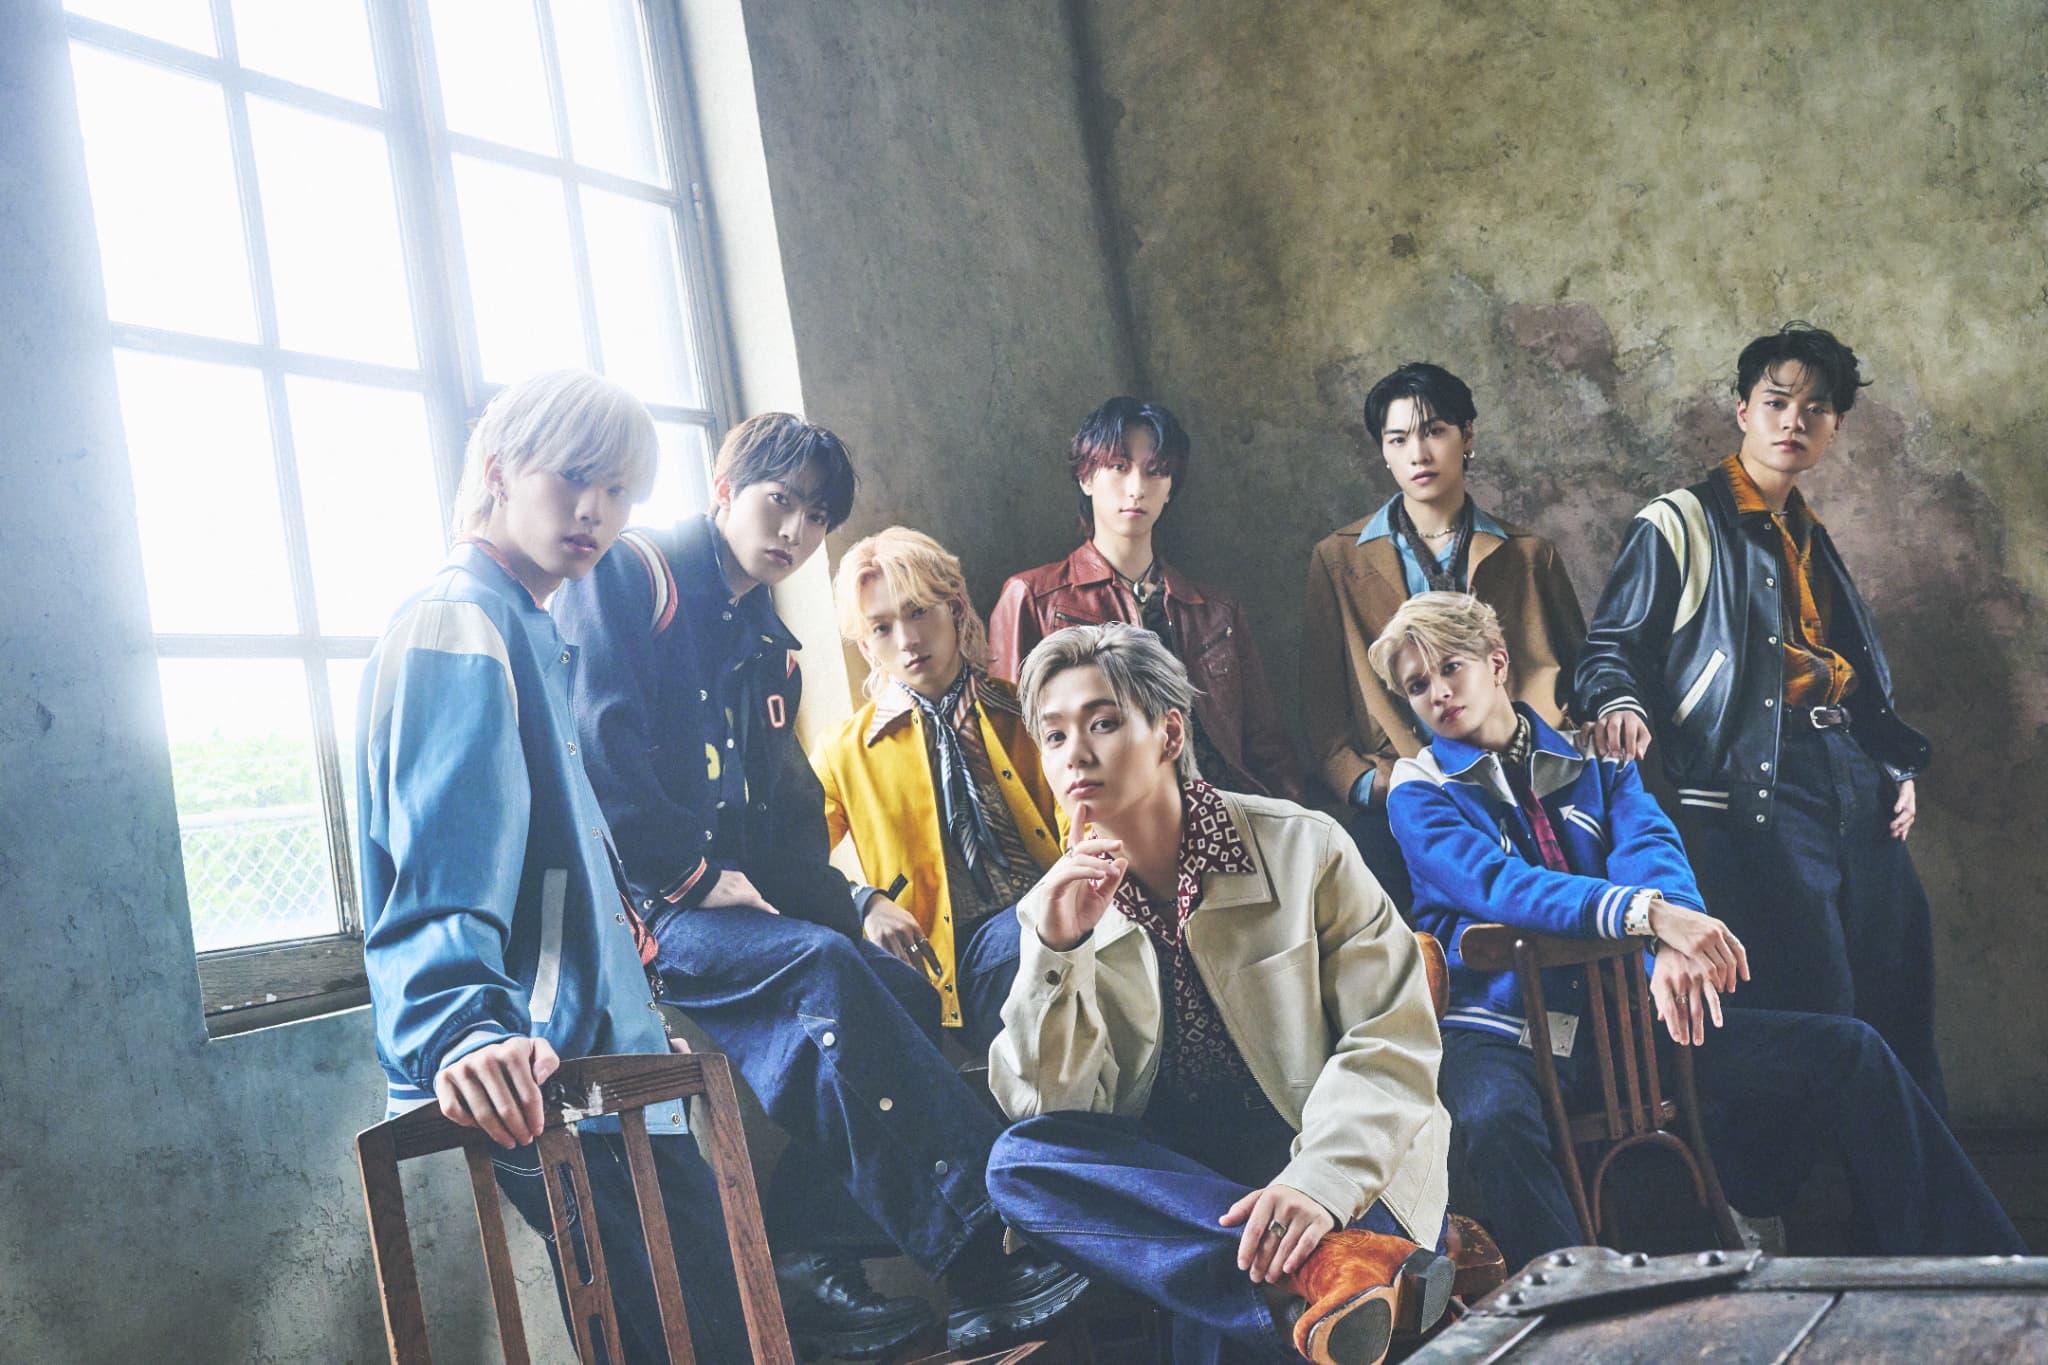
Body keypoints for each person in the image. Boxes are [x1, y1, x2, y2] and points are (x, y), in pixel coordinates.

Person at [552, 414, 1091, 1358]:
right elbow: (595, 753)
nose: (794, 531)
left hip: (719, 895)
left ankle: (810, 1253)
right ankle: (983, 1259)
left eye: (814, 516)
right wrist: (690, 874)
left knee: (898, 987)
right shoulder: (634, 576)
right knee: (819, 974)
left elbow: (787, 824)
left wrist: (856, 902)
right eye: (778, 502)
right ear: (725, 490)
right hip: (635, 906)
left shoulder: (772, 647)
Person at [1374, 591, 2023, 1273]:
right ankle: (1580, 1312)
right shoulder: (1418, 789)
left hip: (1623, 1021)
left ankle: (1990, 1269)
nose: (1438, 692)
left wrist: (1672, 940)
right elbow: (1501, 886)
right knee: (1492, 1122)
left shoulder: (1595, 757)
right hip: (1501, 1031)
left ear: (1498, 662)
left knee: (1850, 1049)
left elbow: (1650, 844)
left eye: (1452, 667)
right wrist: (1649, 916)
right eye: (1417, 685)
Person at [357, 370, 752, 1361]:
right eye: (573, 477)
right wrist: (462, 1023)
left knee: (713, 1331)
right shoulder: (459, 618)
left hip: (609, 1070)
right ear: (498, 469)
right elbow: (438, 856)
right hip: (546, 1070)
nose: (595, 511)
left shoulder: (529, 625)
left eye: (619, 491)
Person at [985, 623, 1456, 1365]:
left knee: (1219, 1318)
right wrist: (1058, 952)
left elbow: (1390, 1043)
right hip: (1197, 1188)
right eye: (1053, 735)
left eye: (1102, 723)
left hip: (1342, 1155)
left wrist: (1317, 1184)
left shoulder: (1305, 848)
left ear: (1170, 733)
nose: (1074, 753)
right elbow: (1058, 1114)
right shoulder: (1061, 908)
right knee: (1017, 1161)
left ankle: (1320, 1263)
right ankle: (1327, 1270)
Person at [1574, 324, 1947, 1110]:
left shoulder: (1809, 531)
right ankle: (1787, 1180)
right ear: (1743, 409)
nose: (1793, 421)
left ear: (1834, 426)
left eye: (1815, 408)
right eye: (1776, 402)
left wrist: (1890, 762)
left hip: (1853, 782)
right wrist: (1618, 701)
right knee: (1816, 999)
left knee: (1898, 993)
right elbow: (1609, 649)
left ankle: (1912, 1190)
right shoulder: (1677, 521)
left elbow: (1851, 673)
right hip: (1759, 788)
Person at [1303, 362, 1585, 911]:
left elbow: (1580, 677)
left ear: (1467, 435)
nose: (1418, 453)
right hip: (1400, 792)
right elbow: (1321, 707)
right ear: (1383, 452)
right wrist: (1368, 784)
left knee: (1548, 915)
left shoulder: (1529, 556)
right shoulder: (1337, 559)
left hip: (1525, 785)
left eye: (1434, 431)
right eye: (1398, 439)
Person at [812, 526, 1063, 1052]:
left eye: (919, 612)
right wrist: (862, 901)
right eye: (882, 628)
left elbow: (1085, 814)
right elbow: (793, 862)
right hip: (952, 964)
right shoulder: (844, 752)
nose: (907, 640)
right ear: (865, 645)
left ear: (955, 608)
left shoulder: (1032, 713)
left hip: (1059, 922)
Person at [990, 396, 1303, 802]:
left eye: (1155, 472)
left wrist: (1295, 820)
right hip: (1106, 820)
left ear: (1170, 489)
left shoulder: (1215, 611)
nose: (1137, 488)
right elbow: (1012, 749)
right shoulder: (1034, 598)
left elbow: (1267, 747)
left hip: (1225, 810)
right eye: (1119, 467)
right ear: (1086, 478)